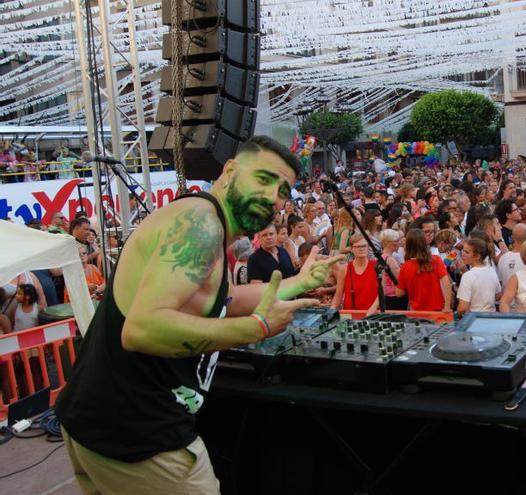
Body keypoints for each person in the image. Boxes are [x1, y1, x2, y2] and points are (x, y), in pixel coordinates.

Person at [54, 136, 342, 494]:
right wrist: (257, 328)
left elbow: (224, 298)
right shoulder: (200, 225)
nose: (272, 196)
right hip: (138, 436)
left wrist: (298, 282)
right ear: (230, 171)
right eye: (264, 179)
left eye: (283, 190)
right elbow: (142, 329)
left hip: (102, 422)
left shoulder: (208, 224)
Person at [395, 229, 453, 312]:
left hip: (416, 311)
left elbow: (399, 293)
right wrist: (447, 306)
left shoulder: (405, 266)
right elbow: (447, 284)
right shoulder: (436, 260)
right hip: (437, 308)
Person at [331, 234, 379, 312]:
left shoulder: (376, 266)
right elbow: (338, 295)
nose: (361, 249)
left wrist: (373, 307)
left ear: (368, 247)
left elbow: (382, 293)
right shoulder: (345, 269)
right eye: (358, 246)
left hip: (372, 315)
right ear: (352, 249)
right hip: (350, 315)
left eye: (364, 246)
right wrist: (331, 310)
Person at [456, 238, 501, 313]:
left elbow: (462, 308)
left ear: (477, 256)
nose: (463, 254)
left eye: (467, 252)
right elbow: (498, 295)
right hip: (491, 317)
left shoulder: (468, 276)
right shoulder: (491, 270)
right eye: (463, 250)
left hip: (474, 319)